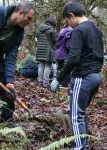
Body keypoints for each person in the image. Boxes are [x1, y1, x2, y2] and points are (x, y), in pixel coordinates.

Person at [51, 2, 104, 150]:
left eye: (67, 21)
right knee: (81, 113)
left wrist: (58, 78)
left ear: (71, 16)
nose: (68, 24)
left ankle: (80, 147)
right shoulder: (96, 29)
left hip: (84, 77)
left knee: (75, 115)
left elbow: (73, 58)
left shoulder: (79, 31)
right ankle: (84, 143)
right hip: (96, 76)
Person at [36, 16, 56, 88]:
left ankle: (40, 82)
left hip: (39, 49)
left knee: (41, 65)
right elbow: (55, 40)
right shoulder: (51, 29)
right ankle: (45, 83)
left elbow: (37, 37)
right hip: (48, 50)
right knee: (48, 66)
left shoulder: (39, 29)